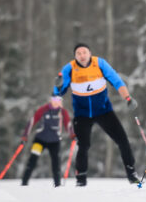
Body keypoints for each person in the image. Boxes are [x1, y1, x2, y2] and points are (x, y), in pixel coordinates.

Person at [53, 43, 139, 186]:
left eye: (84, 52)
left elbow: (116, 81)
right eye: (78, 53)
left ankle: (132, 174)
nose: (82, 55)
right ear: (75, 57)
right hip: (82, 114)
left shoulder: (100, 64)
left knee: (122, 140)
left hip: (104, 111)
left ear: (90, 53)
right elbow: (59, 92)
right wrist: (58, 86)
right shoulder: (69, 68)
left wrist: (128, 98)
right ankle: (81, 179)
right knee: (83, 145)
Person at [19, 95, 75, 187]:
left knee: (56, 163)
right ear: (50, 100)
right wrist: (25, 136)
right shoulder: (43, 109)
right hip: (40, 140)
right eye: (54, 99)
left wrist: (72, 135)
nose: (56, 102)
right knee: (32, 160)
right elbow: (32, 121)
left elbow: (68, 124)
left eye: (58, 100)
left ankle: (57, 184)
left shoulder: (62, 112)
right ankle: (24, 182)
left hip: (54, 142)